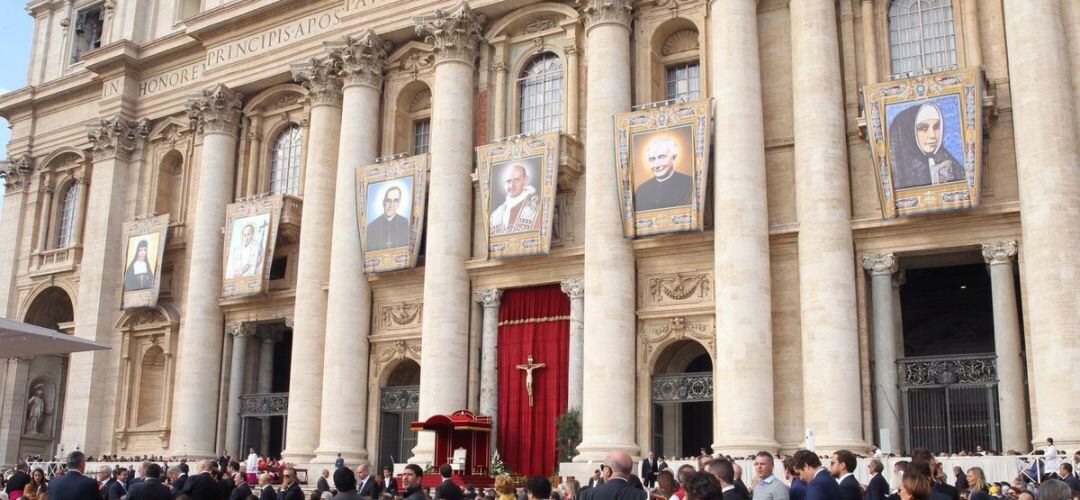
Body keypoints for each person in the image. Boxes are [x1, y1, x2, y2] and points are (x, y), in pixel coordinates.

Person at [888, 102, 963, 190]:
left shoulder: (949, 164)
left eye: (936, 127)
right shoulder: (898, 173)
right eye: (923, 128)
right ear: (908, 133)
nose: (932, 135)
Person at [633, 136, 693, 212]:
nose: (657, 165)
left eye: (662, 157)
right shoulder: (641, 190)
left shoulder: (690, 184)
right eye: (652, 159)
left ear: (674, 157)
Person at [490, 163, 542, 236]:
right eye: (508, 181)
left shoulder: (537, 207)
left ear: (525, 180)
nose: (511, 185)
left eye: (516, 180)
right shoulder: (495, 214)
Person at [579, 451, 647, 500]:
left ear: (608, 471)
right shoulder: (641, 496)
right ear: (629, 474)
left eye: (603, 468)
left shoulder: (587, 495)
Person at [366, 186, 411, 251]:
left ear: (398, 204)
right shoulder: (371, 227)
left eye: (395, 201)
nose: (391, 205)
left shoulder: (404, 223)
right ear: (383, 202)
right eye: (388, 200)